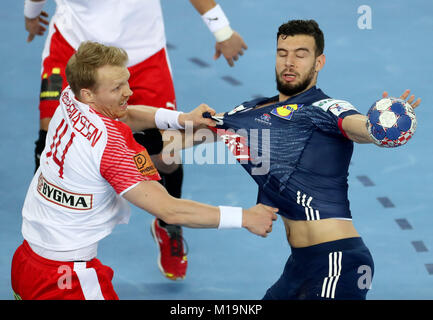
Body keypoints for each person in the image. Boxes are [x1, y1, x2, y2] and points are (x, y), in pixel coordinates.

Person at [10, 41, 277, 300]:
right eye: (117, 87)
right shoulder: (111, 146)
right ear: (89, 94)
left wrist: (181, 119)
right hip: (65, 281)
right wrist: (245, 217)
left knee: (163, 142)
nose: (128, 91)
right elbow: (170, 210)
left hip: (26, 262)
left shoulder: (70, 97)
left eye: (126, 80)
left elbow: (125, 115)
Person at [193, 19, 421, 299]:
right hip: (299, 265)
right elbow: (184, 136)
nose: (290, 62)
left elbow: (356, 126)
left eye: (301, 54)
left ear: (319, 62)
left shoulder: (323, 107)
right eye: (282, 53)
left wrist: (376, 128)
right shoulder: (249, 111)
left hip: (338, 262)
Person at [24, 0, 248, 280]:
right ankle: (48, 244)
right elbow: (172, 203)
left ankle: (166, 228)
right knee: (51, 143)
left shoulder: (87, 100)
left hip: (143, 50)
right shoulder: (104, 137)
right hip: (74, 45)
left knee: (165, 159)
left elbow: (130, 117)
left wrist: (222, 30)